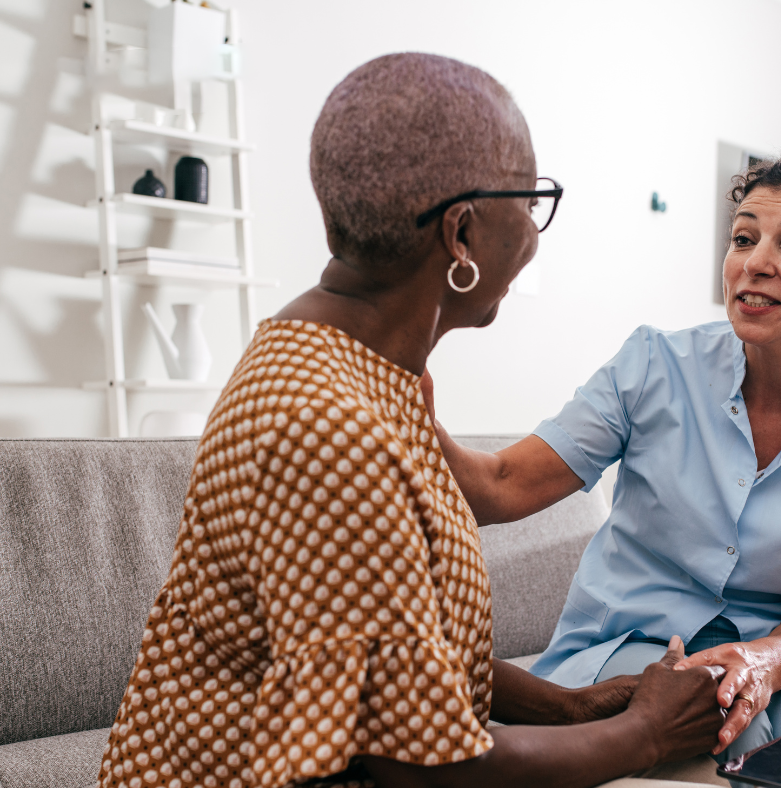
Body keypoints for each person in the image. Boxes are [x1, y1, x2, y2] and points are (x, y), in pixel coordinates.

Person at [95, 53, 726, 788]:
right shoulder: (328, 430)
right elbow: (421, 773)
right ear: (460, 235)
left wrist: (572, 709)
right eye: (530, 200)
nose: (534, 229)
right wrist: (644, 735)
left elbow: (383, 643)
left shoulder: (350, 367)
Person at [429, 150, 781, 787]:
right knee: (733, 730)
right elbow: (501, 485)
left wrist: (764, 662)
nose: (755, 261)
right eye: (743, 238)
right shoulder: (653, 365)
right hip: (635, 634)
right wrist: (415, 402)